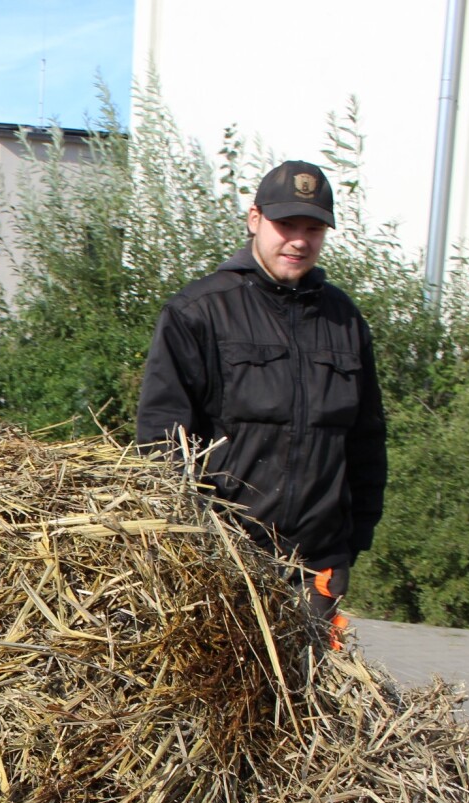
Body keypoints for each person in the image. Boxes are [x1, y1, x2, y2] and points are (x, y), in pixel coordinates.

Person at [135, 160, 386, 630]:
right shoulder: (199, 311)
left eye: (313, 228)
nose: (299, 239)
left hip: (316, 565)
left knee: (303, 697)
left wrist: (352, 541)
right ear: (255, 220)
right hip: (223, 560)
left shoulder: (345, 321)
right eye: (285, 224)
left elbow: (367, 440)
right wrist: (189, 544)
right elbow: (162, 439)